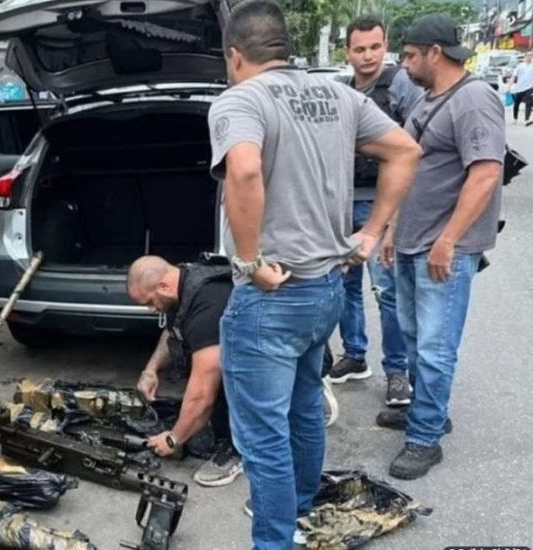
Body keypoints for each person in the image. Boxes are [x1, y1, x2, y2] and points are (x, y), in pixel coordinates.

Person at [206, 1, 421, 547]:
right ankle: (299, 508)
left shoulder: (240, 100)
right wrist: (370, 233)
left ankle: (274, 540)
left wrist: (250, 262)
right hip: (326, 287)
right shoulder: (340, 95)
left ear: (235, 56)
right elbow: (405, 150)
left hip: (273, 294)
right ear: (283, 46)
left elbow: (246, 168)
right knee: (303, 405)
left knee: (261, 435)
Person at [378, 15, 505, 480]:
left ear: (435, 52)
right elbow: (409, 169)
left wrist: (448, 240)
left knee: (434, 347)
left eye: (409, 54)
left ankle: (425, 437)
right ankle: (428, 411)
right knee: (414, 339)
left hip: (443, 248)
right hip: (413, 241)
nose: (404, 63)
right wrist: (392, 228)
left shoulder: (473, 100)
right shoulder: (429, 100)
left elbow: (486, 172)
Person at [328, 15, 423, 408]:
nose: (368, 56)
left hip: (381, 203)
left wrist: (397, 212)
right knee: (344, 285)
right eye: (359, 48)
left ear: (386, 47)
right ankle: (354, 355)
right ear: (347, 52)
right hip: (343, 200)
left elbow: (415, 145)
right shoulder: (343, 90)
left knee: (386, 290)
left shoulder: (400, 85)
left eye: (375, 47)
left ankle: (397, 371)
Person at [126, 256, 242, 488]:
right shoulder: (183, 281)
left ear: (163, 287)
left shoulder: (208, 307)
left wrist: (173, 439)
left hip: (271, 359)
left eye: (149, 302)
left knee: (220, 382)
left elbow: (202, 392)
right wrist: (151, 370)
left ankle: (237, 449)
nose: (150, 309)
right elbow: (175, 329)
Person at [509, 51, 533, 126]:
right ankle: (515, 118)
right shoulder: (520, 66)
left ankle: (527, 119)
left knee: (528, 103)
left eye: (531, 56)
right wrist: (509, 85)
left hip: (529, 87)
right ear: (525, 57)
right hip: (519, 88)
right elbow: (513, 76)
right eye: (528, 56)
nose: (529, 57)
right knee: (517, 103)